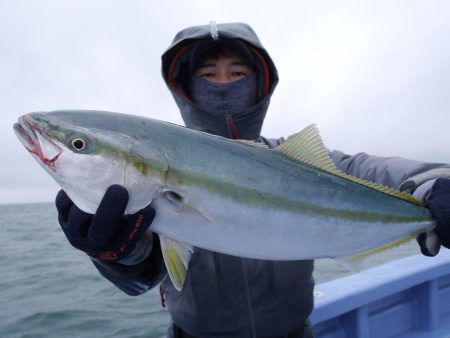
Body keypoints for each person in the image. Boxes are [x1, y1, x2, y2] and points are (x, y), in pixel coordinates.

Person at [55, 22, 450, 338]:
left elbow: (374, 170)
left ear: (260, 84)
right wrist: (117, 254)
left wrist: (432, 182)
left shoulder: (297, 162)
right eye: (209, 73)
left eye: (237, 73)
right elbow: (141, 279)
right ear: (187, 88)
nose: (223, 84)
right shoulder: (158, 165)